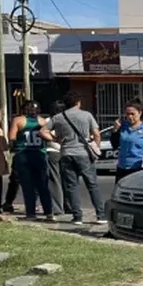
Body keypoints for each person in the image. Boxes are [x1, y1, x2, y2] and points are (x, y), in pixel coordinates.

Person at [42, 91, 105, 225]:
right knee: (92, 184)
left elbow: (42, 131)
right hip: (83, 153)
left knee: (72, 186)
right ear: (78, 102)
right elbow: (97, 134)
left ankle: (77, 216)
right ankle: (100, 215)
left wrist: (55, 139)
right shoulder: (86, 115)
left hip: (66, 153)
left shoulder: (58, 117)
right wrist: (96, 149)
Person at [8, 100, 55, 222]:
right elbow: (49, 137)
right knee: (43, 185)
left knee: (27, 185)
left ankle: (31, 212)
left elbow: (11, 137)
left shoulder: (18, 120)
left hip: (23, 153)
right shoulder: (42, 121)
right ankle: (48, 211)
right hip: (39, 154)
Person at [110, 99, 143, 182]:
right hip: (122, 168)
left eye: (132, 114)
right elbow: (114, 145)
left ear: (140, 113)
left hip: (137, 168)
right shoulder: (123, 126)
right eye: (127, 114)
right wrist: (115, 131)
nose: (130, 117)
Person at [45, 100, 68, 215]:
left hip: (53, 151)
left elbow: (43, 132)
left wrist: (54, 139)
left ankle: (58, 207)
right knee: (68, 180)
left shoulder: (50, 120)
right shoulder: (68, 119)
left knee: (55, 181)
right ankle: (69, 206)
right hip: (68, 152)